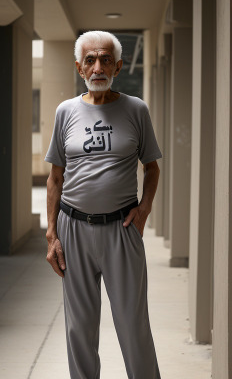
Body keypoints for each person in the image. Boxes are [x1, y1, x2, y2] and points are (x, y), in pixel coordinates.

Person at [45, 30, 162, 379]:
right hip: (73, 229)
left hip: (121, 230)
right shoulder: (65, 112)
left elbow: (152, 168)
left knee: (133, 327)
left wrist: (144, 210)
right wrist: (51, 234)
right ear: (80, 68)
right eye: (91, 60)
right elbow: (55, 178)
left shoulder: (135, 109)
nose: (98, 67)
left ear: (118, 66)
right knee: (79, 330)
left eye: (105, 59)